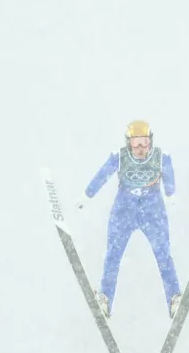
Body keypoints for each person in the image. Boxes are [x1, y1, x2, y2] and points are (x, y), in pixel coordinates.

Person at [76, 120, 182, 319]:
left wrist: (170, 195)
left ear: (150, 141)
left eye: (144, 142)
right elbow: (102, 175)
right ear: (128, 143)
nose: (140, 148)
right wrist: (87, 195)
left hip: (152, 209)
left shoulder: (161, 158)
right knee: (113, 255)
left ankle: (174, 298)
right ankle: (105, 298)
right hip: (124, 208)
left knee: (163, 254)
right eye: (136, 143)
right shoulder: (119, 157)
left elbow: (169, 176)